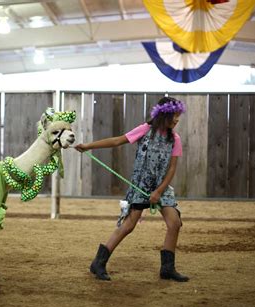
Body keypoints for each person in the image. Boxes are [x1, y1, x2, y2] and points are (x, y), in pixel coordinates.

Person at [75, 96, 189, 282]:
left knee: (174, 223)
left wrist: (159, 191)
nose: (177, 120)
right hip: (141, 186)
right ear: (163, 115)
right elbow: (116, 141)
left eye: (178, 116)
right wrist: (88, 146)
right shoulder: (145, 130)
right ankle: (98, 263)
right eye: (174, 116)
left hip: (162, 187)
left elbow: (172, 168)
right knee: (128, 225)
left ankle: (167, 269)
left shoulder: (174, 139)